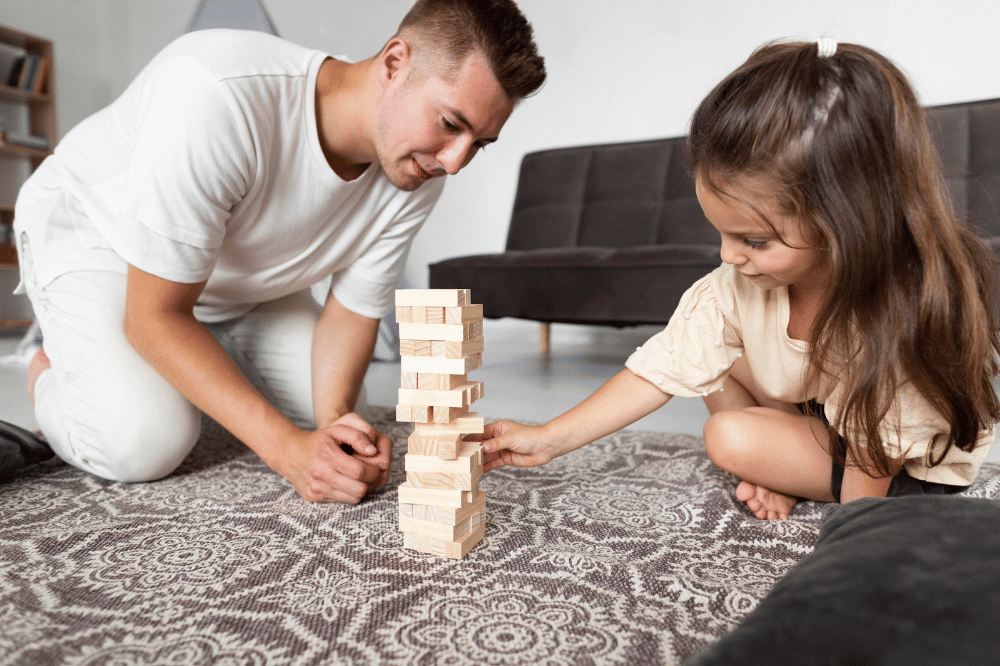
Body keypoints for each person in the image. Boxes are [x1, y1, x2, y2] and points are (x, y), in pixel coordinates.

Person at [10, 0, 545, 502]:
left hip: (244, 280)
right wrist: (287, 451)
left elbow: (352, 311)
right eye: (451, 124)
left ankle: (200, 366)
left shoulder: (419, 172)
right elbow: (154, 317)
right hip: (101, 245)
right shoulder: (217, 93)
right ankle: (49, 368)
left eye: (479, 143)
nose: (455, 161)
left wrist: (333, 419)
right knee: (146, 441)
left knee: (344, 423)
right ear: (394, 63)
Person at [478, 39, 1000, 519]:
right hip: (830, 420)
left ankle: (791, 470)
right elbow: (662, 367)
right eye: (721, 233)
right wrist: (549, 438)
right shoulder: (742, 282)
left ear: (847, 222)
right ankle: (791, 465)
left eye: (754, 241)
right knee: (708, 358)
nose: (729, 256)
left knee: (729, 436)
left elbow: (874, 456)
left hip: (902, 466)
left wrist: (852, 532)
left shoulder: (896, 305)